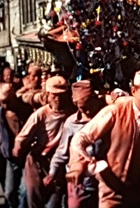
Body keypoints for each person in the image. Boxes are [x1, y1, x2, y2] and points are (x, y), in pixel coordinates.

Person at [68, 67, 140, 208]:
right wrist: (77, 162)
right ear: (134, 92)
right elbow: (81, 137)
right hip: (112, 191)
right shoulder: (115, 112)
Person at [13, 75, 76, 208]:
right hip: (38, 160)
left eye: (61, 95)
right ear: (47, 94)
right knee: (32, 196)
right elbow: (22, 137)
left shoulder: (71, 113)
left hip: (58, 161)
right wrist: (18, 148)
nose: (58, 98)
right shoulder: (41, 114)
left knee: (54, 201)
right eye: (54, 95)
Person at [48, 80, 106, 208]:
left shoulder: (105, 118)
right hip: (79, 182)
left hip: (103, 181)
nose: (87, 111)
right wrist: (52, 173)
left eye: (89, 106)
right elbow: (61, 152)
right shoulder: (71, 123)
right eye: (82, 108)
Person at [0, 83, 34, 208]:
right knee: (9, 192)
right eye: (1, 102)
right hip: (12, 159)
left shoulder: (26, 111)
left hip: (26, 156)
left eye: (7, 101)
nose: (4, 105)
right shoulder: (0, 114)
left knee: (24, 191)